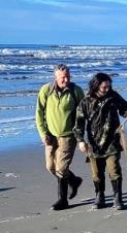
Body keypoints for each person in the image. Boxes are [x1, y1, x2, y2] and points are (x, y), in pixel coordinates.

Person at [73, 72, 127, 210]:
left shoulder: (113, 96)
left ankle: (118, 198)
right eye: (104, 87)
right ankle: (99, 196)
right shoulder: (86, 102)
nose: (108, 89)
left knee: (114, 170)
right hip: (94, 144)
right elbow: (78, 123)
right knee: (97, 173)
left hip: (112, 141)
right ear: (96, 86)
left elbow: (124, 106)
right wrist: (80, 141)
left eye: (109, 86)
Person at [35, 64, 85, 210]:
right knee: (50, 167)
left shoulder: (76, 91)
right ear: (55, 77)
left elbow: (82, 115)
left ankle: (62, 200)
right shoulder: (46, 90)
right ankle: (74, 181)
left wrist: (80, 135)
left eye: (68, 76)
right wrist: (43, 134)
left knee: (61, 169)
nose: (66, 79)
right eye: (63, 77)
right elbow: (39, 114)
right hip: (50, 136)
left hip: (68, 136)